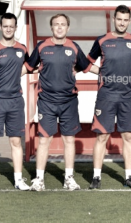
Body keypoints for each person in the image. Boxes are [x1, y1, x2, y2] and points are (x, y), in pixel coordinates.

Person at [23, 14, 99, 191]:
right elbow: (28, 67)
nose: (59, 27)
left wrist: (109, 73)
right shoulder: (42, 46)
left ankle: (69, 179)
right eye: (56, 24)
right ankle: (39, 179)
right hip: (47, 101)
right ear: (51, 27)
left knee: (69, 139)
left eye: (63, 24)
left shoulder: (73, 47)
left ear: (68, 28)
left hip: (69, 102)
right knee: (44, 140)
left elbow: (86, 66)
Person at [88, 5, 131, 189]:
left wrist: (127, 74)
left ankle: (129, 177)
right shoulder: (102, 40)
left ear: (129, 21)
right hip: (106, 95)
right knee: (102, 136)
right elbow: (87, 63)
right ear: (114, 19)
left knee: (128, 136)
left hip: (127, 95)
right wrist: (102, 73)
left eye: (125, 20)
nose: (122, 22)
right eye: (119, 19)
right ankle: (96, 177)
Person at [0, 13, 30, 190]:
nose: (8, 29)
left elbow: (30, 65)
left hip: (16, 101)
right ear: (1, 27)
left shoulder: (22, 49)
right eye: (5, 26)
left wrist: (17, 74)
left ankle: (18, 180)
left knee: (16, 142)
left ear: (15, 27)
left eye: (11, 26)